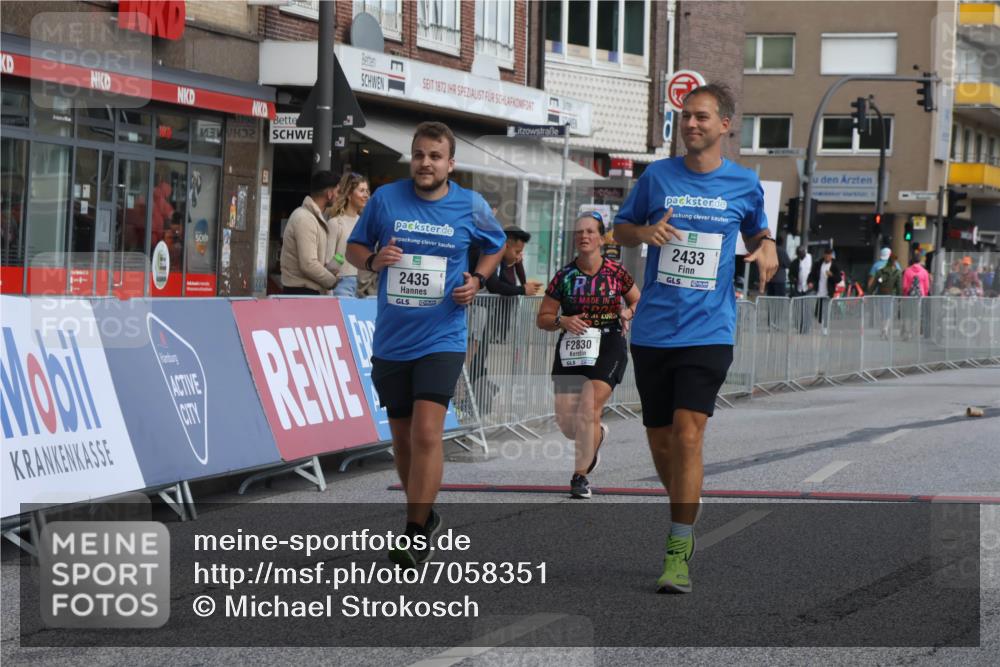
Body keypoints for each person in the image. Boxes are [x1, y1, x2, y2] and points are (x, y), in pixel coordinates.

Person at [612, 83, 778, 594]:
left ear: (725, 124)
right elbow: (621, 228)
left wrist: (768, 246)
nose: (691, 124)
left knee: (688, 435)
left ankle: (677, 549)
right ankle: (686, 499)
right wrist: (644, 234)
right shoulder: (657, 177)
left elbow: (757, 230)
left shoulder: (743, 183)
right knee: (661, 440)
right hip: (654, 330)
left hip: (709, 329)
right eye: (686, 116)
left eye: (702, 117)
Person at [345, 121, 507, 569]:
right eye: (419, 154)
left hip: (443, 336)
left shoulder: (470, 205)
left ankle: (414, 533)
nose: (425, 163)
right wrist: (374, 259)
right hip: (393, 339)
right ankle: (424, 512)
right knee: (402, 441)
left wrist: (477, 280)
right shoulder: (385, 199)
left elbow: (495, 246)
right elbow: (354, 248)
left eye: (435, 156)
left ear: (450, 163)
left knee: (426, 433)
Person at [536, 211, 640, 499]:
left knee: (588, 408)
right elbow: (543, 318)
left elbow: (636, 299)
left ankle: (580, 476)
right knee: (568, 425)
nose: (584, 236)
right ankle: (598, 434)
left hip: (608, 343)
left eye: (590, 231)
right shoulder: (564, 276)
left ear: (601, 238)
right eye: (579, 232)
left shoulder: (616, 272)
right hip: (573, 347)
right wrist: (562, 321)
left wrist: (628, 313)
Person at [467, 225, 544, 402]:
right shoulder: (487, 253)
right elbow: (495, 285)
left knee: (479, 357)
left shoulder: (500, 259)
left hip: (482, 313)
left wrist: (518, 268)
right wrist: (522, 290)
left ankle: (472, 398)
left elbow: (508, 283)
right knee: (470, 356)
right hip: (472, 311)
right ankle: (464, 397)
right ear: (506, 245)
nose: (518, 256)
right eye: (517, 251)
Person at [280, 170, 340, 295]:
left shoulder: (313, 218)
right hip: (300, 293)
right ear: (329, 194)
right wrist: (332, 281)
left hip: (306, 291)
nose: (338, 196)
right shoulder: (305, 219)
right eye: (337, 192)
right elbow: (308, 264)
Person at [326, 172, 371, 297]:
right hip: (341, 284)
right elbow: (328, 263)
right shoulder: (335, 223)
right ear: (349, 195)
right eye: (361, 190)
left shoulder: (365, 224)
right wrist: (328, 293)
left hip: (364, 286)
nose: (366, 195)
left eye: (367, 191)